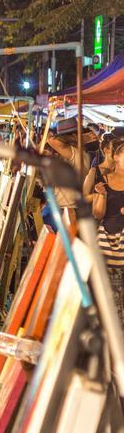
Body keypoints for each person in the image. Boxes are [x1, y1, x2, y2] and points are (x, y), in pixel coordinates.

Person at [91, 138, 124, 326]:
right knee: (113, 296)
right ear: (117, 157)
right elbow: (97, 214)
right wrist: (102, 196)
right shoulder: (104, 180)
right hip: (109, 245)